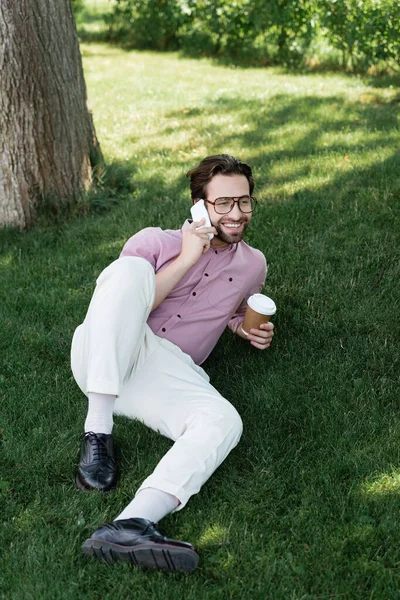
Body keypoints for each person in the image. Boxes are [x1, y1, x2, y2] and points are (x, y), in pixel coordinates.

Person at [71, 154, 274, 572]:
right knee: (127, 272)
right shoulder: (154, 242)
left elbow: (235, 310)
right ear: (199, 205)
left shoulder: (253, 264)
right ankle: (97, 433)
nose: (237, 213)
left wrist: (243, 328)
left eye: (244, 201)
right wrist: (186, 257)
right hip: (105, 351)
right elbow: (123, 304)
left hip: (166, 370)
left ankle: (132, 523)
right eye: (224, 203)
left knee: (224, 420)